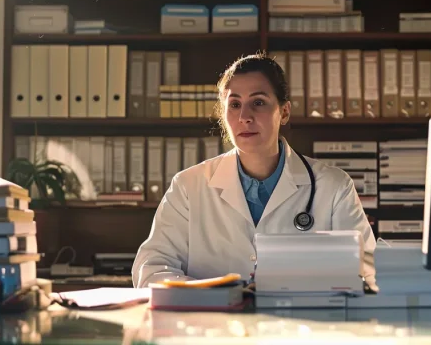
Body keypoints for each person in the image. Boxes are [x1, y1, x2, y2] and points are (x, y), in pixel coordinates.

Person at [131, 53, 377, 288]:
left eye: (258, 102)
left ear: (284, 112)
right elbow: (152, 269)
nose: (244, 117)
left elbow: (367, 272)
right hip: (213, 317)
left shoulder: (333, 186)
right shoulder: (188, 186)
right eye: (235, 104)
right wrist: (215, 295)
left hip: (300, 317)